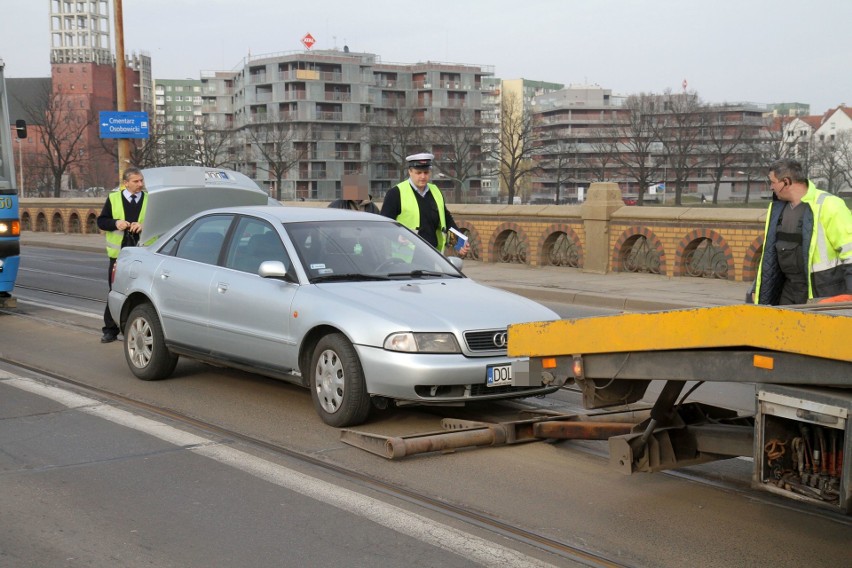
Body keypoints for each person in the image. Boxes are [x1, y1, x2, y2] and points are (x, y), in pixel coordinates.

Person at [750, 158, 852, 305]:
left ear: (786, 182)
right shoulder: (777, 208)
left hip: (822, 291)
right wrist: (757, 286)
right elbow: (770, 253)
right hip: (788, 289)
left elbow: (850, 252)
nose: (771, 187)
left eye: (772, 182)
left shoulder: (829, 205)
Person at [379, 152, 470, 255]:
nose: (423, 176)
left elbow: (446, 219)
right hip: (404, 256)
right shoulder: (396, 193)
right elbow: (384, 224)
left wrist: (458, 242)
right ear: (410, 171)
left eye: (426, 172)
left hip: (433, 253)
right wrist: (397, 237)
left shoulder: (435, 191)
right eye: (418, 173)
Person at [96, 167, 147, 343]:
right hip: (119, 255)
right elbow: (101, 221)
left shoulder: (150, 199)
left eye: (141, 181)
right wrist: (115, 223)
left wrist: (143, 225)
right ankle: (110, 329)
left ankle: (136, 326)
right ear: (126, 183)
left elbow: (158, 223)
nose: (140, 184)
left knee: (142, 291)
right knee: (115, 291)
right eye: (136, 181)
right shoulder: (113, 198)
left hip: (143, 253)